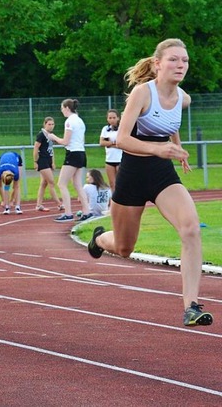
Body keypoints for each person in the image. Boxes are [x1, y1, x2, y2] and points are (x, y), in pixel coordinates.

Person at [87, 38, 213, 326]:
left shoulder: (184, 98)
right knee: (124, 248)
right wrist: (160, 148)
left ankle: (191, 306)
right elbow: (122, 139)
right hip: (132, 172)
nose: (180, 65)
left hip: (162, 173)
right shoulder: (142, 94)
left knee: (191, 228)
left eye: (185, 61)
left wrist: (177, 149)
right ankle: (98, 239)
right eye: (173, 59)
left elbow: (172, 125)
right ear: (158, 64)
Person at [49, 99, 91, 222]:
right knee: (77, 184)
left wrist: (53, 137)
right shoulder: (80, 120)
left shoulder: (69, 122)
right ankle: (86, 211)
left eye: (62, 108)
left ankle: (68, 213)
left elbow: (65, 141)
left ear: (67, 108)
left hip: (73, 153)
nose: (61, 111)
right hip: (81, 152)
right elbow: (81, 140)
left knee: (62, 184)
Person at [33, 116, 63, 212]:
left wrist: (53, 162)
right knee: (51, 182)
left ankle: (38, 205)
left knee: (44, 183)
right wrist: (35, 161)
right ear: (44, 124)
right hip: (42, 160)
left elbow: (51, 150)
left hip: (48, 160)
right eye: (49, 124)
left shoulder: (50, 135)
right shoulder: (41, 135)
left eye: (52, 124)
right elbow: (36, 148)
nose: (51, 126)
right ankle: (59, 204)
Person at [99, 109, 123, 193]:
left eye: (114, 117)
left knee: (121, 183)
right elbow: (102, 142)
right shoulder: (105, 129)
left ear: (118, 118)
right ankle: (114, 201)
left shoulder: (122, 128)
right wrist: (113, 143)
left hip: (120, 159)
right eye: (110, 118)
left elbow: (122, 144)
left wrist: (110, 144)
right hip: (109, 159)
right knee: (112, 183)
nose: (112, 120)